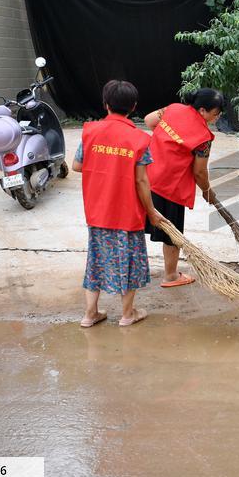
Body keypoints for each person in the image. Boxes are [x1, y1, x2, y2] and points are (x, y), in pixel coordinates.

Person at [73, 80, 162, 327]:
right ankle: (127, 314)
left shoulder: (91, 132)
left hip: (98, 210)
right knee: (129, 261)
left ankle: (90, 314)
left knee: (96, 260)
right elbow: (142, 181)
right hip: (126, 213)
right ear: (133, 107)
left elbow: (77, 165)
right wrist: (151, 212)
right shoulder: (139, 139)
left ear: (106, 104)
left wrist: (103, 165)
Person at [143, 88, 224, 287]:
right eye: (215, 113)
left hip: (145, 177)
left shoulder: (173, 108)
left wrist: (166, 141)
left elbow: (149, 120)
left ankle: (123, 268)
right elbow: (199, 172)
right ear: (203, 110)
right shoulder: (204, 137)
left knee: (136, 224)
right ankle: (171, 276)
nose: (217, 117)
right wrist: (207, 191)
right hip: (170, 186)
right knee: (172, 234)